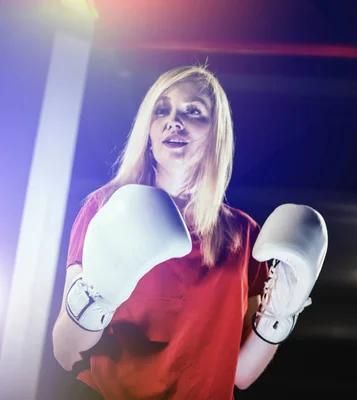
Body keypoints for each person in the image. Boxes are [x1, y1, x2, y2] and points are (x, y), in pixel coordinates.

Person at [51, 65, 327, 399]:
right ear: (148, 132)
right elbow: (65, 351)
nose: (173, 120)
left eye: (193, 110)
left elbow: (241, 373)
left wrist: (281, 313)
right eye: (161, 110)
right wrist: (96, 296)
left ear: (215, 133)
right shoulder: (107, 206)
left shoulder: (244, 235)